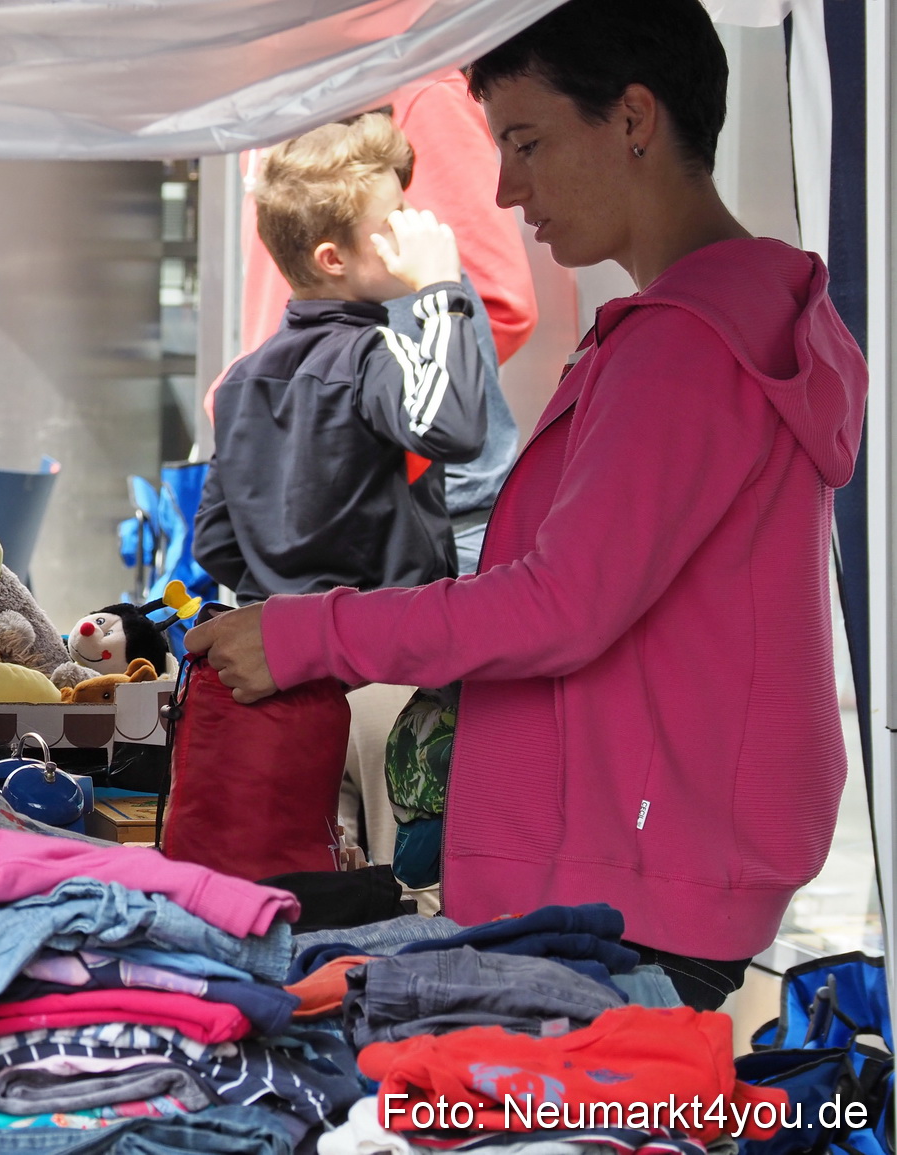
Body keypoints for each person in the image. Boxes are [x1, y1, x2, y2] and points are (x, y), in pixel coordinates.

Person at [187, 0, 866, 1012]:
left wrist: (305, 634)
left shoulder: (686, 344)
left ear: (633, 120)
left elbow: (557, 605)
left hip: (628, 890)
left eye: (527, 142)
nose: (506, 188)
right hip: (638, 868)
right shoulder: (716, 322)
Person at [193, 113, 489, 604]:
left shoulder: (240, 379)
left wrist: (285, 592)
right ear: (333, 259)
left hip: (275, 644)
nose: (414, 226)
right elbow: (452, 428)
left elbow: (213, 537)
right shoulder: (373, 353)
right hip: (380, 646)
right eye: (395, 216)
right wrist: (441, 290)